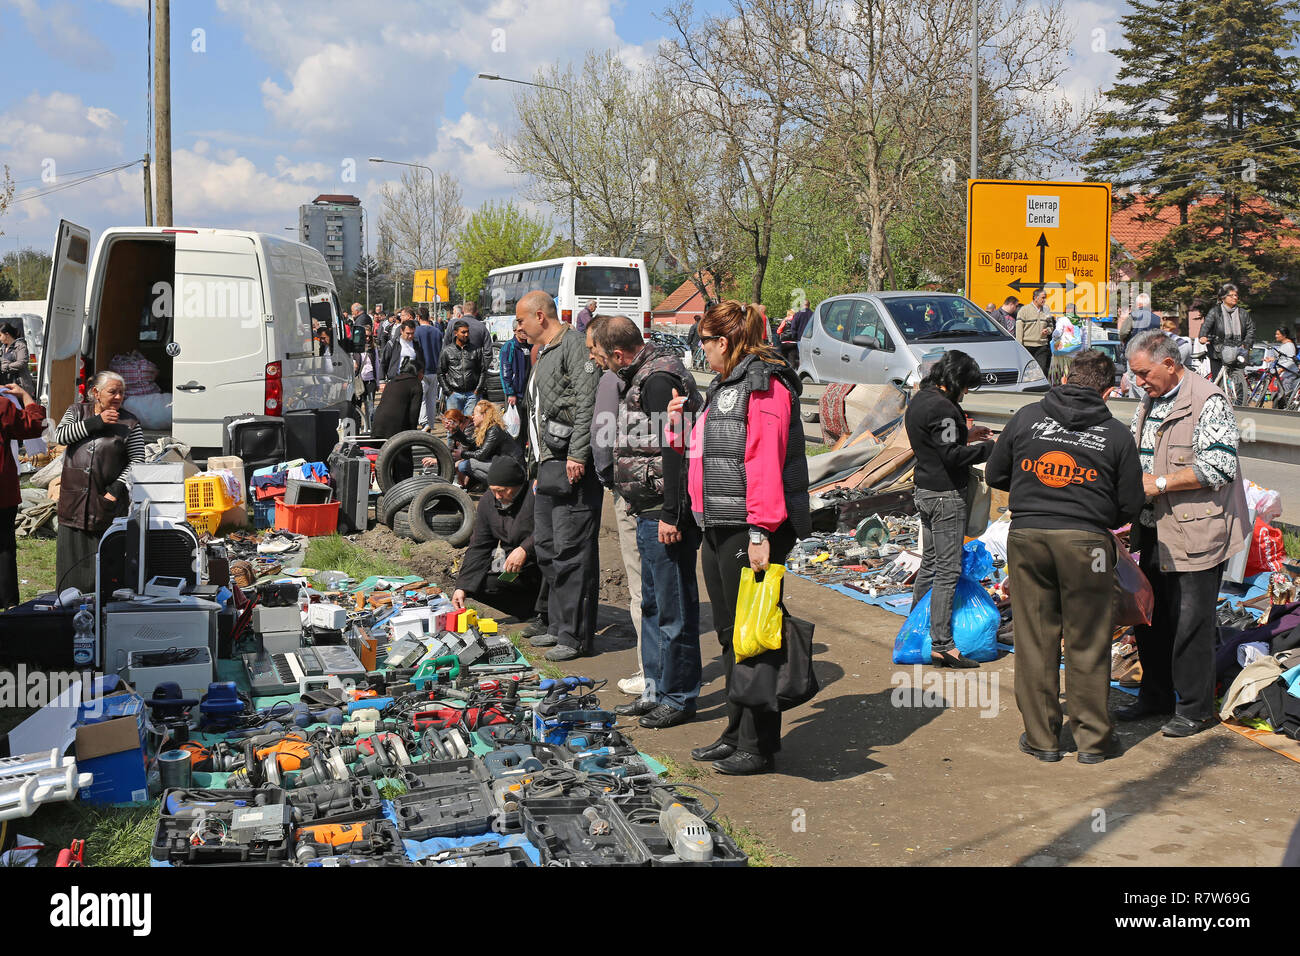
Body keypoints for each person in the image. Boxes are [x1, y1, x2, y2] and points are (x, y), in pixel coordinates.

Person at [985, 349, 1146, 763]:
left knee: (1035, 638)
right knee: (1087, 640)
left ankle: (1042, 740)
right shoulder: (1115, 433)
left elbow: (995, 473)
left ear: (1067, 377)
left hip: (1028, 537)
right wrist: (1093, 513)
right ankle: (1093, 742)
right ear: (1107, 390)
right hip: (1087, 545)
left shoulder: (1027, 417)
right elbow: (1130, 504)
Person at [671, 300, 811, 775]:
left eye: (705, 342)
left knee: (754, 640)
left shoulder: (764, 385)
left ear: (724, 343)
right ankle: (735, 731)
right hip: (718, 524)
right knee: (731, 637)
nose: (702, 351)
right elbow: (714, 451)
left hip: (749, 529)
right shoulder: (725, 386)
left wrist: (760, 530)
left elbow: (764, 462)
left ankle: (758, 744)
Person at [1123, 330, 1250, 737]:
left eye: (1143, 373)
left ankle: (1195, 709)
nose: (1138, 381)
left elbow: (1219, 467)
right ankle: (1155, 697)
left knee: (1189, 623)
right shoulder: (1149, 401)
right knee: (1151, 618)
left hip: (1197, 532)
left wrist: (1158, 484)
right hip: (1153, 531)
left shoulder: (1208, 401)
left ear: (1169, 364)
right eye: (1134, 375)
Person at [592, 314, 703, 730]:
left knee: (674, 610)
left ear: (619, 353)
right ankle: (656, 688)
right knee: (654, 606)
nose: (601, 364)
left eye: (602, 357)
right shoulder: (643, 374)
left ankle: (679, 696)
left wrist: (672, 513)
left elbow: (677, 447)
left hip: (663, 512)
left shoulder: (658, 380)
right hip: (648, 509)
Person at [517, 290, 602, 663]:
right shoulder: (546, 353)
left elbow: (588, 401)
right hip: (546, 465)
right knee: (549, 547)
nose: (517, 327)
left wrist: (578, 453)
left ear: (540, 316)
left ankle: (575, 635)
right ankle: (555, 623)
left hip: (569, 463)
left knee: (572, 551)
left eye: (521, 320)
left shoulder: (573, 346)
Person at [903, 350, 996, 669]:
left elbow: (937, 443)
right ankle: (942, 644)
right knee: (947, 569)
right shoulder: (944, 408)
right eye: (967, 387)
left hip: (924, 490)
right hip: (945, 496)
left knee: (929, 564)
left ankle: (915, 630)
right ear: (956, 382)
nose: (967, 392)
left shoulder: (921, 398)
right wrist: (988, 448)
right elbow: (952, 456)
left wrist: (966, 435)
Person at [583, 318, 646, 696]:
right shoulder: (672, 368)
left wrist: (609, 479)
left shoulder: (612, 378)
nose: (594, 358)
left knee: (641, 585)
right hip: (667, 494)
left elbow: (602, 437)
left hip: (632, 490)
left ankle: (648, 669)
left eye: (595, 351)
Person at [55, 371, 145, 595]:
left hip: (106, 502)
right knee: (71, 562)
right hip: (73, 501)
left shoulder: (130, 422)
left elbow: (138, 460)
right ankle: (69, 607)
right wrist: (96, 422)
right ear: (95, 392)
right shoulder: (76, 411)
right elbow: (61, 437)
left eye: (121, 393)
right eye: (112, 391)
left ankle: (102, 607)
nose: (117, 397)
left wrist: (116, 489)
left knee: (105, 562)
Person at [450, 456, 546, 623]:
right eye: (493, 490)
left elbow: (550, 528)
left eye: (502, 490)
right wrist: (462, 587)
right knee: (478, 584)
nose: (497, 496)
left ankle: (548, 613)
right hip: (516, 569)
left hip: (543, 563)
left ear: (518, 486)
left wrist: (525, 548)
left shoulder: (535, 494)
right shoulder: (488, 501)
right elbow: (479, 546)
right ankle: (531, 612)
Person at [0, 382, 45, 608]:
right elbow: (33, 426)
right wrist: (26, 396)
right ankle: (8, 605)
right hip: (2, 491)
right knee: (4, 548)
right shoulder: (2, 405)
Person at [370, 354, 424, 487]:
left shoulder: (392, 381)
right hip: (395, 426)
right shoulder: (415, 384)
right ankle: (403, 490)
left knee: (385, 459)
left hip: (378, 425)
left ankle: (384, 486)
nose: (423, 376)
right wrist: (411, 435)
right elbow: (414, 413)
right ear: (418, 373)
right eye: (422, 373)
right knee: (403, 458)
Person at [1199, 282, 1255, 399]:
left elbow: (1251, 329)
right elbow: (1206, 326)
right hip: (1218, 349)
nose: (1235, 298)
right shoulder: (1215, 311)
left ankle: (1239, 401)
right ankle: (1216, 399)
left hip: (1238, 349)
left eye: (1236, 295)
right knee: (1217, 380)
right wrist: (1203, 336)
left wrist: (1246, 344)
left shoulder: (1243, 313)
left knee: (1239, 377)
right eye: (1231, 295)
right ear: (1223, 297)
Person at [455, 400, 524, 487]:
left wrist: (462, 454)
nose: (472, 417)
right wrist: (455, 430)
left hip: (513, 468)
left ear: (483, 415)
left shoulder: (494, 429)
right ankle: (491, 486)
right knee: (464, 464)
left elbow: (482, 455)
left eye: (474, 414)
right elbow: (470, 442)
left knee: (467, 464)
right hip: (503, 464)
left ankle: (499, 485)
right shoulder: (486, 428)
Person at [438, 320, 489, 416]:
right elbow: (440, 373)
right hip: (454, 394)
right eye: (463, 332)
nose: (466, 335)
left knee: (469, 426)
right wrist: (448, 392)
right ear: (455, 333)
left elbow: (483, 371)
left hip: (472, 394)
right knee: (453, 426)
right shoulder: (447, 351)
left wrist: (477, 390)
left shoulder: (476, 350)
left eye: (467, 332)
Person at [499, 319, 532, 442]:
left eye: (525, 330)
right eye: (520, 330)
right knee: (514, 428)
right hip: (515, 395)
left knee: (525, 427)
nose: (523, 332)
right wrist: (510, 393)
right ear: (514, 331)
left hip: (527, 394)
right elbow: (505, 372)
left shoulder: (531, 345)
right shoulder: (509, 347)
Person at [414, 307, 443, 427]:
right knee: (431, 399)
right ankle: (430, 424)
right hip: (435, 369)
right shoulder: (437, 331)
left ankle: (424, 422)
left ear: (418, 317)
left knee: (422, 398)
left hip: (422, 369)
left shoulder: (416, 331)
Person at [1049, 305, 1084, 384]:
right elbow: (1083, 338)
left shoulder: (1062, 320)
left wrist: (1053, 338)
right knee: (1072, 377)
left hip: (1061, 355)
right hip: (1075, 354)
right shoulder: (1079, 321)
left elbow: (1057, 333)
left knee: (1060, 377)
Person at [0, 323, 35, 394]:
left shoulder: (20, 346)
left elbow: (22, 362)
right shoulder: (2, 348)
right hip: (6, 387)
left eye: (0, 335)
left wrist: (6, 366)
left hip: (20, 387)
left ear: (7, 334)